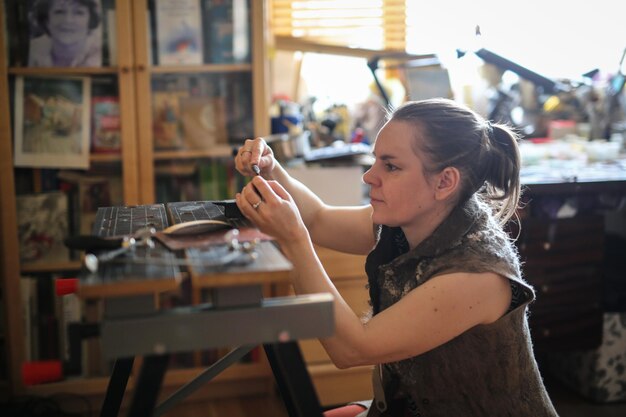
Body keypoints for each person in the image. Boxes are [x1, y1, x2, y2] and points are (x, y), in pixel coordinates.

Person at [234, 98, 559, 417]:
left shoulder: (478, 275)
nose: (369, 176)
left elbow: (352, 349)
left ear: (445, 182)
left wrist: (293, 240)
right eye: (376, 161)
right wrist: (272, 168)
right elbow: (318, 219)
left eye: (390, 166)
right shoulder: (413, 221)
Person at [28, 0, 102, 67]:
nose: (68, 20)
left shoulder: (101, 54)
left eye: (78, 13)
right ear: (47, 20)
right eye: (59, 12)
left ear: (90, 21)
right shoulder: (32, 51)